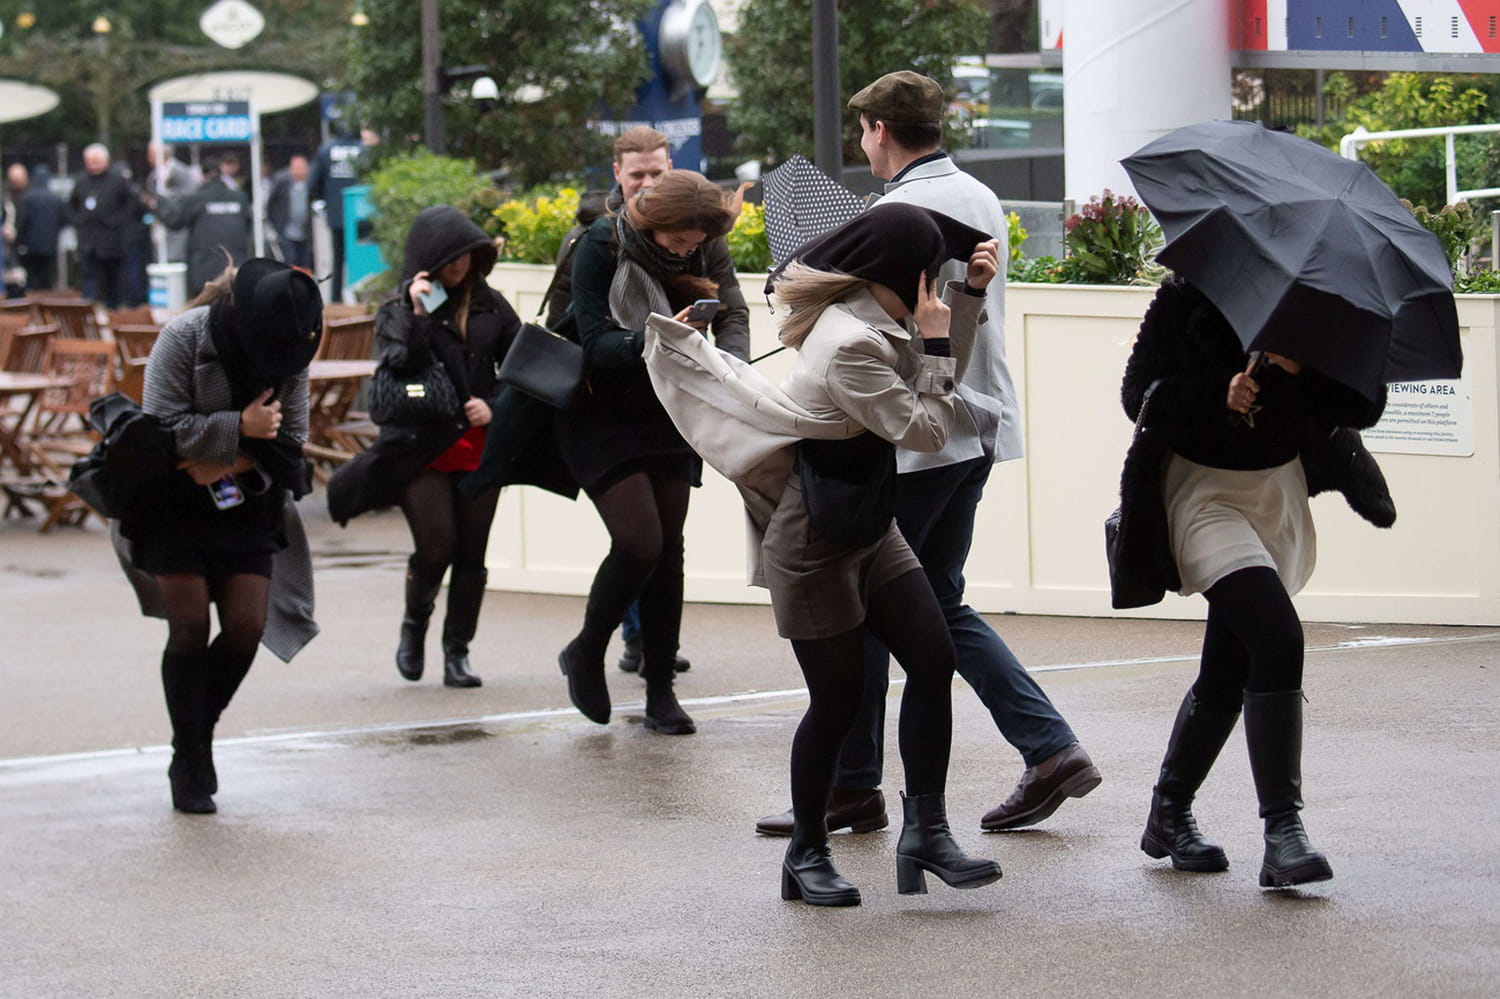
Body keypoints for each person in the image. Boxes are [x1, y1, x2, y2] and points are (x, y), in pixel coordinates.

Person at [756, 70, 1100, 839]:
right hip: (976, 425)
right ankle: (1037, 749)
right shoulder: (978, 198)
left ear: (879, 129)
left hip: (923, 434)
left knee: (882, 602)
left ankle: (861, 783)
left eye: (863, 131)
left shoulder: (897, 213)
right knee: (932, 600)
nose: (861, 144)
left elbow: (904, 344)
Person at [644, 203, 1005, 906]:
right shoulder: (850, 343)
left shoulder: (880, 318)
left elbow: (937, 373)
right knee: (837, 699)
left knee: (933, 661)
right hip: (815, 539)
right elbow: (927, 428)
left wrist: (968, 301)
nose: (944, 278)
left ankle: (926, 831)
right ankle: (807, 853)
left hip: (868, 521)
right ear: (908, 272)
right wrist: (935, 339)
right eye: (940, 271)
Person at [1121, 275, 1391, 888]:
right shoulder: (1188, 292)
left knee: (1229, 665)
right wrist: (1219, 391)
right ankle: (1283, 832)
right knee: (1277, 638)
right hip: (1201, 494)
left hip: (1276, 493)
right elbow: (1138, 394)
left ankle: (1168, 812)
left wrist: (1299, 369)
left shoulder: (1326, 303)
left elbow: (1363, 406)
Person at [126, 257, 324, 814]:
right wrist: (240, 428)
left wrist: (230, 462)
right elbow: (159, 429)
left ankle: (193, 737)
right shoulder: (185, 336)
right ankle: (190, 758)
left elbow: (293, 441)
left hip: (246, 502)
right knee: (187, 626)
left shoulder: (290, 345)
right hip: (170, 501)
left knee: (244, 627)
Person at [555, 169, 749, 735]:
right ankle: (587, 650)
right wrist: (661, 336)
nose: (692, 250)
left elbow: (732, 310)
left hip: (668, 405)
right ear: (656, 222)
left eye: (699, 242)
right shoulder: (601, 244)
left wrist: (729, 362)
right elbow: (593, 340)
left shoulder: (706, 243)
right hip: (599, 409)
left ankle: (661, 688)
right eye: (682, 240)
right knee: (641, 542)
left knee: (669, 550)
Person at [327, 205, 520, 689]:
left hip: (477, 443)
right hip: (421, 446)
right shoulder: (399, 308)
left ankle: (458, 651)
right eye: (450, 258)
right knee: (437, 546)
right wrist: (418, 313)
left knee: (472, 555)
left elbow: (521, 367)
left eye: (467, 257)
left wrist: (494, 404)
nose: (459, 267)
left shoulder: (490, 305)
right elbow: (397, 363)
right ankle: (414, 629)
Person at [158, 154, 253, 299]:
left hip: (204, 270)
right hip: (234, 267)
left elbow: (174, 222)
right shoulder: (239, 197)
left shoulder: (197, 198)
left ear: (202, 176)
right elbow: (248, 226)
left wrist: (160, 203)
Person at [310, 128, 377, 304]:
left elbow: (313, 182)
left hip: (336, 213)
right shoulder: (365, 150)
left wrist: (326, 200)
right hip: (362, 214)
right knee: (363, 258)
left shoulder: (326, 150)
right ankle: (364, 299)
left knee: (337, 259)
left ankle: (336, 300)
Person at [70, 143, 134, 308]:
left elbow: (130, 205)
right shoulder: (81, 180)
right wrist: (79, 220)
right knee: (88, 276)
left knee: (112, 277)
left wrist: (115, 221)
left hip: (111, 239)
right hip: (88, 239)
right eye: (90, 161)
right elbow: (72, 204)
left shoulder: (117, 180)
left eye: (97, 161)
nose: (93, 164)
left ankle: (113, 308)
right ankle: (87, 308)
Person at [266, 155, 314, 269]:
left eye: (302, 168)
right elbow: (271, 205)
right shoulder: (282, 183)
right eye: (296, 168)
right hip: (286, 231)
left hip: (305, 232)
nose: (300, 171)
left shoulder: (311, 184)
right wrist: (276, 225)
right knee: (290, 260)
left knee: (305, 261)